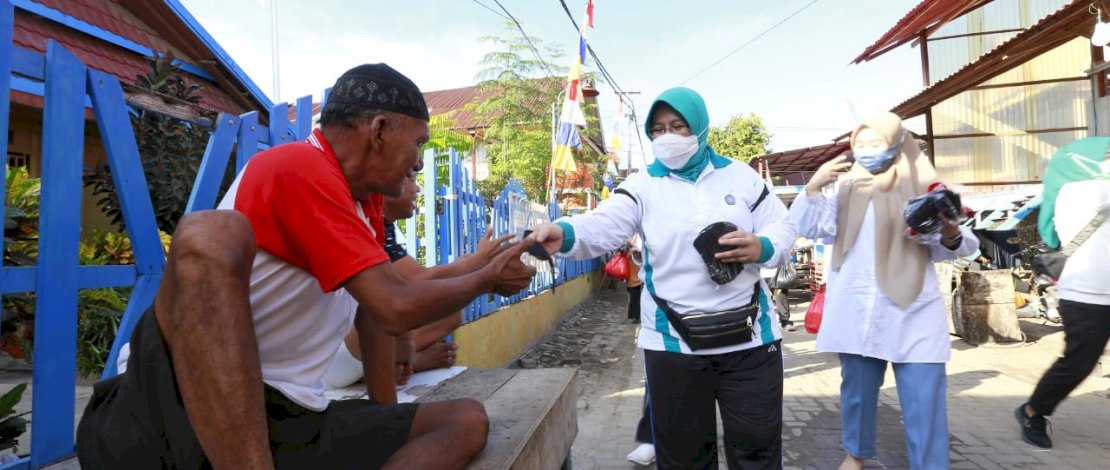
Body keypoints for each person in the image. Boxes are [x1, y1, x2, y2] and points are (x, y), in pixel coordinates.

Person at [76, 63, 538, 469]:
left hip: (277, 415)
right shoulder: (296, 166)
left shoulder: (364, 202)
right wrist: (486, 279)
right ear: (378, 131)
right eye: (417, 143)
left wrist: (385, 414)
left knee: (465, 420)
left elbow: (375, 316)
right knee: (212, 232)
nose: (418, 161)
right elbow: (396, 306)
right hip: (163, 409)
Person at [531, 87, 796, 469]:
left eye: (678, 126)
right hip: (674, 346)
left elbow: (783, 226)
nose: (667, 137)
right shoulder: (642, 186)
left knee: (758, 450)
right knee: (683, 458)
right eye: (657, 130)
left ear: (701, 129)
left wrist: (763, 246)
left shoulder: (741, 178)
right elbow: (604, 224)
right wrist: (566, 233)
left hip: (751, 341)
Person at [790, 112, 979, 470]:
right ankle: (855, 455)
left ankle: (930, 465)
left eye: (875, 143)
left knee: (925, 401)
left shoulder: (927, 187)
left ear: (895, 143)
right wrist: (812, 187)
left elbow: (957, 244)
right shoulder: (844, 189)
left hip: (913, 311)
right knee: (857, 394)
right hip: (858, 306)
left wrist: (951, 233)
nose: (867, 151)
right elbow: (812, 227)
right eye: (860, 144)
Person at [323, 175, 514, 391]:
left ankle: (398, 360)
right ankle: (405, 360)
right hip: (334, 361)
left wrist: (474, 264)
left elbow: (419, 281)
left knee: (448, 311)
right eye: (410, 178)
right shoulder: (362, 220)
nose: (418, 188)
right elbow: (414, 283)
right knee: (393, 309)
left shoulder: (381, 225)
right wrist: (479, 265)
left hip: (350, 354)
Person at [1015, 136, 1110, 449]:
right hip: (1087, 291)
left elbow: (1049, 232)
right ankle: (1033, 410)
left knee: (1078, 361)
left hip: (1085, 285)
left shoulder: (1069, 179)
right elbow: (1052, 232)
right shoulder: (1076, 188)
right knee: (1079, 363)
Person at [626, 234, 644, 323]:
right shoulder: (635, 236)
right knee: (634, 295)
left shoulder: (638, 237)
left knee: (636, 296)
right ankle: (634, 315)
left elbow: (641, 250)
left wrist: (634, 248)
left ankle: (638, 317)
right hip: (633, 274)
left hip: (637, 274)